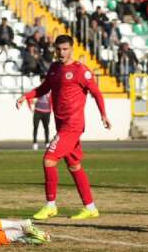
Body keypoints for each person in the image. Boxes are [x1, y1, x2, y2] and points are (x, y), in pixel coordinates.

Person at [16, 35, 111, 221]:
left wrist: (103, 115)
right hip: (61, 125)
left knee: (49, 159)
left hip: (73, 125)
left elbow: (96, 92)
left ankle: (50, 205)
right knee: (74, 165)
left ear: (72, 49)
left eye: (65, 49)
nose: (61, 53)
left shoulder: (80, 70)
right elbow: (44, 88)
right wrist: (26, 96)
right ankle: (90, 207)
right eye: (58, 49)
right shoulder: (54, 68)